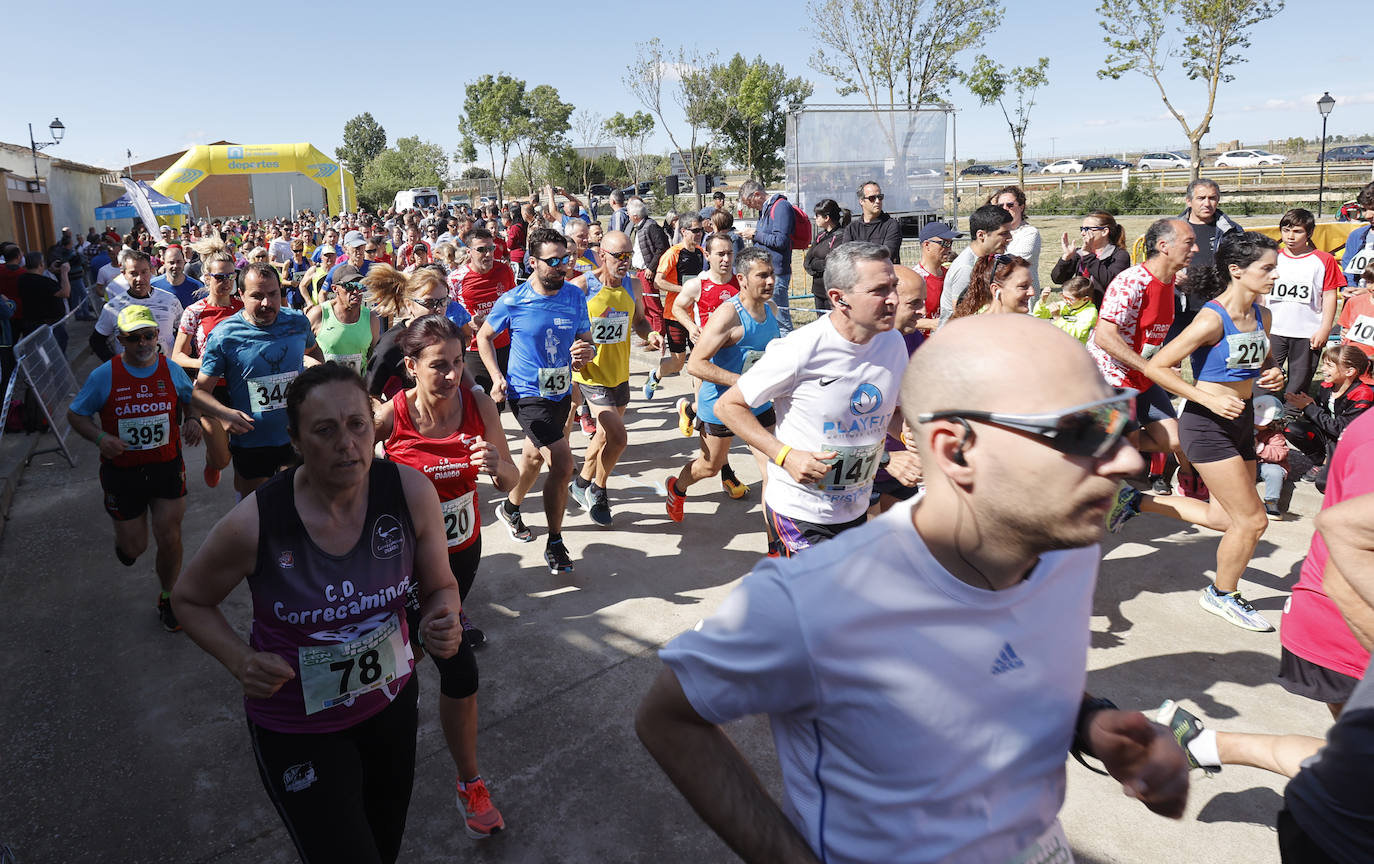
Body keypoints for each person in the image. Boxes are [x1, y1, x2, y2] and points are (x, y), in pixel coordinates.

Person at [637, 314, 1188, 864]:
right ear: (956, 451)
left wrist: (1089, 723)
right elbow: (668, 717)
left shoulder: (1068, 552)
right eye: (1083, 430)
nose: (1129, 458)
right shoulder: (818, 601)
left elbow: (1005, 665)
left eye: (1117, 419)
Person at [172, 364, 464, 864]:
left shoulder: (410, 492)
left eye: (357, 424)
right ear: (297, 441)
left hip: (390, 706)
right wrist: (239, 661)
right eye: (324, 430)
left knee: (383, 842)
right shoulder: (257, 522)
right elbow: (189, 599)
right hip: (297, 726)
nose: (346, 443)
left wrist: (444, 618)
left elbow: (440, 586)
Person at [374, 314, 516, 837]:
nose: (453, 375)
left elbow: (510, 480)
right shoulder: (392, 416)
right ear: (410, 367)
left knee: (429, 655)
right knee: (453, 668)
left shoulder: (477, 404)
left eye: (459, 363)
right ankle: (469, 781)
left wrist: (496, 460)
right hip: (405, 567)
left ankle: (460, 780)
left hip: (463, 553)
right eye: (439, 367)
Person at [1109, 231, 1287, 632]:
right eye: (1267, 268)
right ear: (1236, 271)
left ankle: (1134, 501)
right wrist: (1205, 399)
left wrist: (1273, 374)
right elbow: (1156, 366)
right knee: (1253, 521)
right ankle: (1222, 594)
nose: (1275, 275)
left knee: (1225, 520)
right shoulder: (1211, 317)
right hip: (1206, 425)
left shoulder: (1263, 315)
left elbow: (1263, 363)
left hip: (1240, 420)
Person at [714, 242, 920, 556]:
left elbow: (890, 412)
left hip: (854, 507)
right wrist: (784, 455)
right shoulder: (801, 348)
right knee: (837, 596)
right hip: (800, 511)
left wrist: (907, 433)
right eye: (879, 290)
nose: (893, 299)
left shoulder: (892, 342)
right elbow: (728, 406)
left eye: (893, 286)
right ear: (839, 299)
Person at [67, 305, 203, 632]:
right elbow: (76, 415)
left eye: (149, 336)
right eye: (133, 338)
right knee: (135, 547)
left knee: (169, 535)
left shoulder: (170, 369)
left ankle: (169, 597)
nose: (143, 343)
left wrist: (194, 418)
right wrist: (100, 438)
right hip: (122, 473)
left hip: (166, 467)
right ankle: (125, 542)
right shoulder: (104, 376)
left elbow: (190, 396)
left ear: (157, 336)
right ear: (120, 341)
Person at [476, 228, 593, 574]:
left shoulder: (574, 296)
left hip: (560, 392)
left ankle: (511, 508)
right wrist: (497, 377)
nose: (562, 266)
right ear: (532, 262)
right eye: (553, 261)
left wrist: (586, 352)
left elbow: (586, 339)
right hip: (526, 394)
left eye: (565, 259)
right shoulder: (514, 300)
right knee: (562, 462)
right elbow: (484, 336)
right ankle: (555, 542)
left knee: (531, 456)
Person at [665, 247, 782, 535]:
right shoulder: (728, 315)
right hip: (720, 405)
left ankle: (776, 547)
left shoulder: (771, 310)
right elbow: (695, 364)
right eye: (762, 276)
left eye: (772, 275)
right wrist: (741, 382)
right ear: (742, 279)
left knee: (772, 472)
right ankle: (677, 488)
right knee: (709, 466)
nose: (770, 282)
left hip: (757, 403)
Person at [1087, 218, 1198, 497]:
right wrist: (1151, 368)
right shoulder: (1131, 282)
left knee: (1173, 439)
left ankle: (1113, 443)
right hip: (1108, 376)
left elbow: (1153, 334)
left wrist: (1167, 362)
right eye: (1189, 242)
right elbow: (1104, 336)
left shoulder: (1171, 280)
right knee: (1114, 447)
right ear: (1164, 246)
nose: (1195, 249)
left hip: (1142, 375)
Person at [194, 263, 323, 497]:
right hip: (251, 442)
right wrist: (223, 414)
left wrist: (314, 374)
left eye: (273, 294)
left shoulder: (297, 322)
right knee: (257, 511)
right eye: (257, 296)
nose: (266, 303)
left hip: (296, 433)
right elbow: (199, 392)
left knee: (300, 505)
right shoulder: (225, 334)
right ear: (240, 295)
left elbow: (314, 353)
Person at [568, 230, 660, 525]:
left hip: (619, 375)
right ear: (601, 256)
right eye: (618, 256)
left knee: (604, 435)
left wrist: (652, 334)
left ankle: (580, 484)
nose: (625, 262)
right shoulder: (581, 287)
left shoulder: (633, 286)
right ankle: (599, 489)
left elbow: (641, 322)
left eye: (629, 256)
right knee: (618, 438)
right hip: (591, 376)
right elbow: (560, 325)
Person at [172, 241, 243, 488]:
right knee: (223, 459)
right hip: (209, 390)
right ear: (206, 278)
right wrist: (200, 361)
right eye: (220, 277)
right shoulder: (194, 312)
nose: (226, 282)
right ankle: (213, 462)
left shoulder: (243, 308)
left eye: (231, 276)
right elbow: (177, 356)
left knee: (245, 454)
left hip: (241, 387)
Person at [364, 265, 474, 402]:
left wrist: (476, 391)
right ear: (409, 304)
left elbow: (461, 367)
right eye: (429, 303)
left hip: (449, 418)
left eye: (443, 302)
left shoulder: (451, 334)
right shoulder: (391, 344)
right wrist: (396, 413)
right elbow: (371, 395)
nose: (438, 309)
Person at [1269, 207, 1342, 396]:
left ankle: (1292, 414)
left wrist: (1325, 329)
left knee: (1300, 379)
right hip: (1273, 329)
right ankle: (1262, 415)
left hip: (1307, 332)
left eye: (1297, 231)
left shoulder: (1324, 260)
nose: (1290, 236)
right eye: (1286, 230)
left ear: (1309, 233)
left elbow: (1329, 295)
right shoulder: (1271, 257)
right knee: (1265, 376)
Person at [1284, 344, 1373, 490]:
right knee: (1291, 429)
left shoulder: (1362, 394)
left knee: (1324, 484)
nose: (1323, 369)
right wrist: (1306, 406)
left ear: (1350, 371)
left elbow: (1342, 430)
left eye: (1329, 366)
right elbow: (1320, 416)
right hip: (1330, 437)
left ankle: (1347, 467)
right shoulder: (1326, 386)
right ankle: (1322, 462)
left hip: (1349, 444)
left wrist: (1309, 407)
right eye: (1324, 364)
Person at [643, 213, 706, 400]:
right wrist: (685, 290)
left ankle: (700, 404)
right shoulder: (673, 253)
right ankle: (656, 375)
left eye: (701, 230)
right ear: (684, 231)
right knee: (678, 363)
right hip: (675, 315)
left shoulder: (702, 253)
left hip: (696, 316)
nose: (699, 234)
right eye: (695, 230)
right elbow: (657, 282)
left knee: (698, 360)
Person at [448, 227, 516, 397]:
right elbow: (447, 312)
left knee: (503, 398)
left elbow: (515, 304)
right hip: (475, 349)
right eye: (481, 250)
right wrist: (467, 321)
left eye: (491, 248)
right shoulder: (456, 278)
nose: (488, 254)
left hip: (505, 344)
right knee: (482, 400)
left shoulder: (504, 270)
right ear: (469, 252)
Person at [1175, 178, 1243, 337]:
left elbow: (1240, 270)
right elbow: (1157, 263)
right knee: (1170, 359)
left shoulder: (1231, 231)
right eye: (1201, 198)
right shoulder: (1170, 228)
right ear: (1189, 201)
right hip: (1178, 306)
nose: (1207, 203)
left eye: (1212, 198)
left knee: (1211, 360)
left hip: (1216, 306)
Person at [91, 250, 183, 361]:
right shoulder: (113, 307)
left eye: (144, 272)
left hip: (167, 371)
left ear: (151, 271)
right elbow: (96, 341)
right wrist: (116, 366)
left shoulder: (170, 300)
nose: (139, 279)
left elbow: (184, 332)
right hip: (130, 375)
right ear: (123, 273)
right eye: (133, 273)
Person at [737, 179, 798, 334]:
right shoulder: (765, 210)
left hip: (776, 273)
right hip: (767, 271)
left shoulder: (781, 207)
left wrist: (755, 234)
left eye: (749, 202)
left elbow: (781, 241)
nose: (749, 207)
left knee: (781, 320)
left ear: (757, 194)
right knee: (769, 318)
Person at [939, 204, 1013, 324]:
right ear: (981, 235)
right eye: (1003, 233)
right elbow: (961, 317)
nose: (1010, 238)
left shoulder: (986, 260)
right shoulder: (966, 268)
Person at [307, 264, 380, 375]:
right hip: (325, 388)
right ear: (335, 289)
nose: (356, 292)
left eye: (359, 286)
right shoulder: (318, 314)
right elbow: (300, 354)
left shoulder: (371, 318)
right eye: (350, 286)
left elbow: (375, 358)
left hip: (357, 389)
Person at [1051, 210, 1130, 308]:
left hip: (1105, 311)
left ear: (1104, 231)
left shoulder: (1119, 255)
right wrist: (1065, 258)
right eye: (1082, 228)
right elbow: (1057, 279)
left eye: (1088, 229)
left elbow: (1110, 282)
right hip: (1079, 311)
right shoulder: (1080, 253)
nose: (1083, 233)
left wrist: (1088, 255)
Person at [627, 196, 671, 337]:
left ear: (634, 215)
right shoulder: (640, 227)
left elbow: (662, 247)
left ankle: (659, 333)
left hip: (647, 272)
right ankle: (649, 335)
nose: (627, 215)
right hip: (640, 272)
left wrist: (651, 268)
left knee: (653, 304)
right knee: (644, 305)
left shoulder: (651, 226)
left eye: (628, 212)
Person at [951, 253, 1035, 318]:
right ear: (995, 290)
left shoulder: (1032, 328)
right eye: (1023, 286)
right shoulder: (974, 331)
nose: (1032, 292)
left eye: (1031, 284)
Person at [992, 185, 1041, 291]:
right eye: (1001, 206)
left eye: (1010, 205)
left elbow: (1013, 262)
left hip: (1023, 292)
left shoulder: (1030, 233)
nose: (1005, 209)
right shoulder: (993, 232)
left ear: (1021, 207)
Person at [911, 221, 960, 328]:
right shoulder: (915, 279)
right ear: (927, 245)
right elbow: (901, 319)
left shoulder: (950, 274)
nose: (949, 249)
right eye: (944, 244)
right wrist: (933, 324)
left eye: (950, 244)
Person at [803, 198, 848, 312]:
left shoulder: (841, 237)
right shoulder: (820, 236)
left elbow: (832, 263)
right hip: (818, 290)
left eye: (817, 216)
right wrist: (816, 266)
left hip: (833, 290)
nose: (814, 218)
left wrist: (816, 264)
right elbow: (808, 261)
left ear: (826, 218)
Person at [19, 251, 70, 352]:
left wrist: (50, 270)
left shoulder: (22, 279)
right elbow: (65, 293)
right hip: (48, 326)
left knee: (37, 354)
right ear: (41, 264)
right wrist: (64, 273)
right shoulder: (45, 282)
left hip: (30, 323)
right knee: (56, 353)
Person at [842, 181, 902, 263]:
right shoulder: (852, 228)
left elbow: (886, 254)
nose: (877, 201)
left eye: (880, 197)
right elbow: (846, 256)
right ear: (861, 201)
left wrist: (858, 254)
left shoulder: (891, 225)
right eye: (872, 198)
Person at [1032, 274, 1099, 343]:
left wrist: (1057, 318)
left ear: (1085, 299)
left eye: (1069, 299)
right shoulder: (1065, 305)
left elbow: (1075, 334)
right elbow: (1039, 316)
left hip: (1078, 349)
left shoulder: (1089, 313)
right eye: (1063, 296)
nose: (1065, 301)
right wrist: (1042, 301)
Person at [1338, 180, 1374, 288]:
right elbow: (1348, 271)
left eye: (1373, 209)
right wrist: (1350, 289)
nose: (1367, 215)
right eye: (1364, 209)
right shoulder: (1356, 236)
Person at [152, 244, 204, 311]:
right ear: (163, 263)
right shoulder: (153, 286)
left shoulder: (197, 287)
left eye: (179, 262)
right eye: (171, 262)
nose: (175, 266)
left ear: (184, 262)